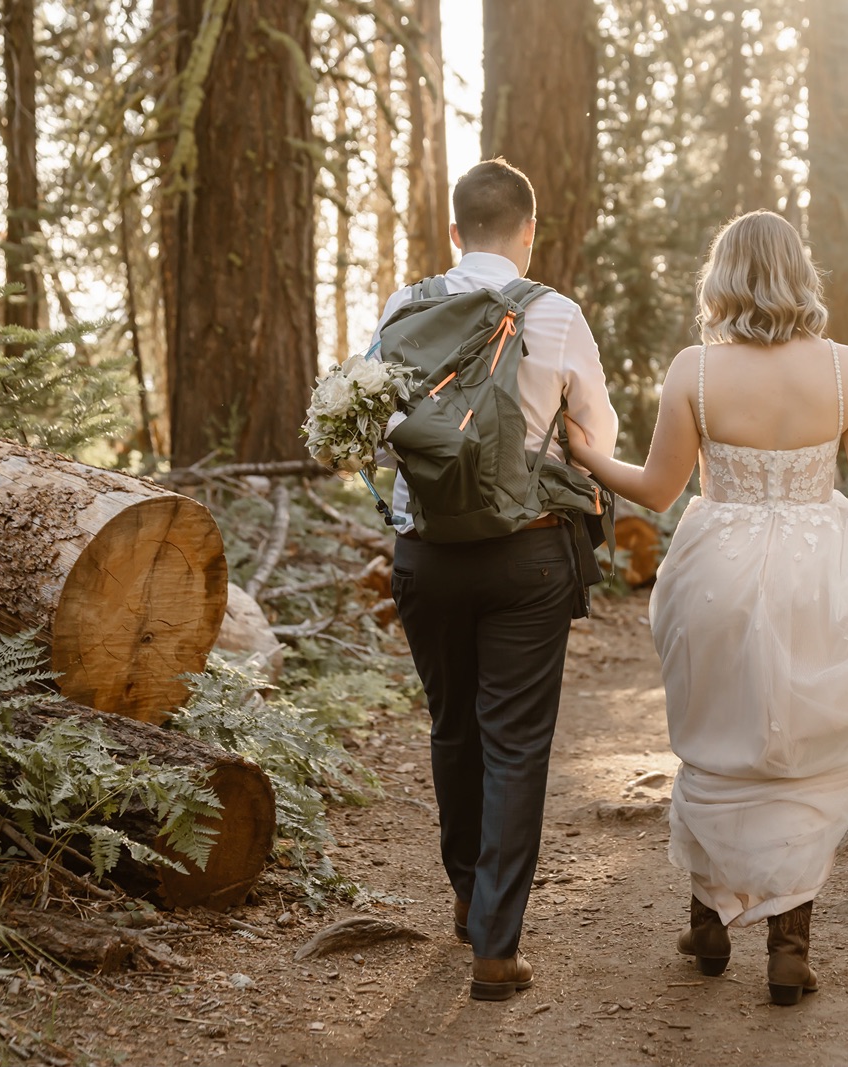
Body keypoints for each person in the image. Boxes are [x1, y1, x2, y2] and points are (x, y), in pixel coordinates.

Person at [565, 210, 848, 1006]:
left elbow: (658, 490)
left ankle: (710, 924)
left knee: (719, 739)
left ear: (723, 276)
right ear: (800, 273)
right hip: (818, 573)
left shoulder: (695, 369)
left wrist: (584, 452)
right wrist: (823, 561)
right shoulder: (844, 370)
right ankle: (790, 944)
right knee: (805, 750)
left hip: (715, 570)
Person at [369, 158, 619, 1001]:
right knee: (514, 740)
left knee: (452, 727)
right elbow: (597, 429)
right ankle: (495, 942)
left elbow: (373, 423)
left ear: (453, 231)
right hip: (528, 552)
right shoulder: (555, 314)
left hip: (427, 553)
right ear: (528, 232)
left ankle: (464, 896)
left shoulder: (407, 308)